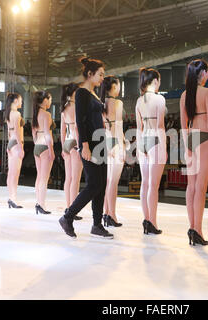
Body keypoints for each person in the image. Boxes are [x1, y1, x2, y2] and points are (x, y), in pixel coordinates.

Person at [59, 57, 113, 239]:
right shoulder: (81, 93)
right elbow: (80, 122)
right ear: (90, 74)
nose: (102, 78)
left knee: (102, 184)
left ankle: (97, 225)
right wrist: (84, 146)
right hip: (90, 143)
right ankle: (68, 216)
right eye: (100, 74)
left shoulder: (95, 95)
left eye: (103, 75)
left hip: (101, 142)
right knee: (94, 184)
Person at [179, 59, 208, 246]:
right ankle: (197, 230)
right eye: (207, 71)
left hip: (191, 138)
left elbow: (183, 124)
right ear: (202, 73)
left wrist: (186, 144)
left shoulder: (184, 95)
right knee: (201, 188)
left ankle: (192, 227)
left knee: (191, 186)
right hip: (204, 137)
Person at [135, 67, 167, 235]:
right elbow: (160, 126)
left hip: (143, 141)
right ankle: (152, 222)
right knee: (153, 186)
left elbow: (139, 128)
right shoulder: (159, 99)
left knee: (145, 183)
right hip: (155, 138)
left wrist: (140, 148)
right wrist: (164, 148)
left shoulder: (139, 101)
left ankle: (146, 219)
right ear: (155, 81)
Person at [101, 76, 125, 228]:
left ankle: (106, 212)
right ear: (114, 87)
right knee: (113, 183)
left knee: (108, 182)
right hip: (115, 144)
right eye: (118, 86)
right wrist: (122, 146)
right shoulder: (118, 103)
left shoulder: (101, 103)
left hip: (105, 144)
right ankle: (112, 215)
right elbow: (119, 127)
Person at [60, 83, 83, 221]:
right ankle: (73, 210)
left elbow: (63, 130)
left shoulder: (64, 107)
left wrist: (63, 147)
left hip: (67, 142)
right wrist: (80, 145)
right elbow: (76, 128)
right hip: (75, 141)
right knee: (75, 178)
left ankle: (68, 206)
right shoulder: (75, 107)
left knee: (68, 178)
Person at [32, 91, 55, 214]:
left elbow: (33, 132)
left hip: (37, 146)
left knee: (39, 177)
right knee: (44, 178)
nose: (51, 102)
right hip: (45, 147)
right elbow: (47, 133)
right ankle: (41, 204)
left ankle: (38, 202)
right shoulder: (46, 114)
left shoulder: (36, 114)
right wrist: (51, 149)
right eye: (50, 99)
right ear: (45, 100)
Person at [4, 93, 25, 209]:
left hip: (11, 143)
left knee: (11, 173)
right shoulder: (16, 114)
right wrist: (21, 147)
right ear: (16, 100)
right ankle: (13, 198)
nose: (21, 102)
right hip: (16, 143)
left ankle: (11, 197)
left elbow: (10, 132)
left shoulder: (8, 114)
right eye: (21, 100)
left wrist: (9, 145)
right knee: (15, 173)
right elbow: (17, 132)